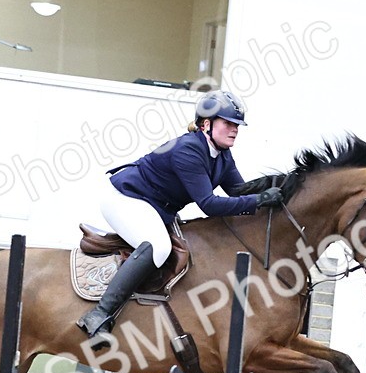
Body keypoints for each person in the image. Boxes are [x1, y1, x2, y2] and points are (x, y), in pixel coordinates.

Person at [75, 89, 284, 342]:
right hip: (125, 199)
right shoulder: (189, 150)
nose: (235, 130)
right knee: (159, 247)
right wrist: (260, 200)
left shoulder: (222, 155)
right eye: (228, 123)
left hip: (155, 207)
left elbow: (238, 191)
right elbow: (209, 204)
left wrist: (281, 186)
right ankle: (99, 314)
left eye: (237, 125)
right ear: (207, 124)